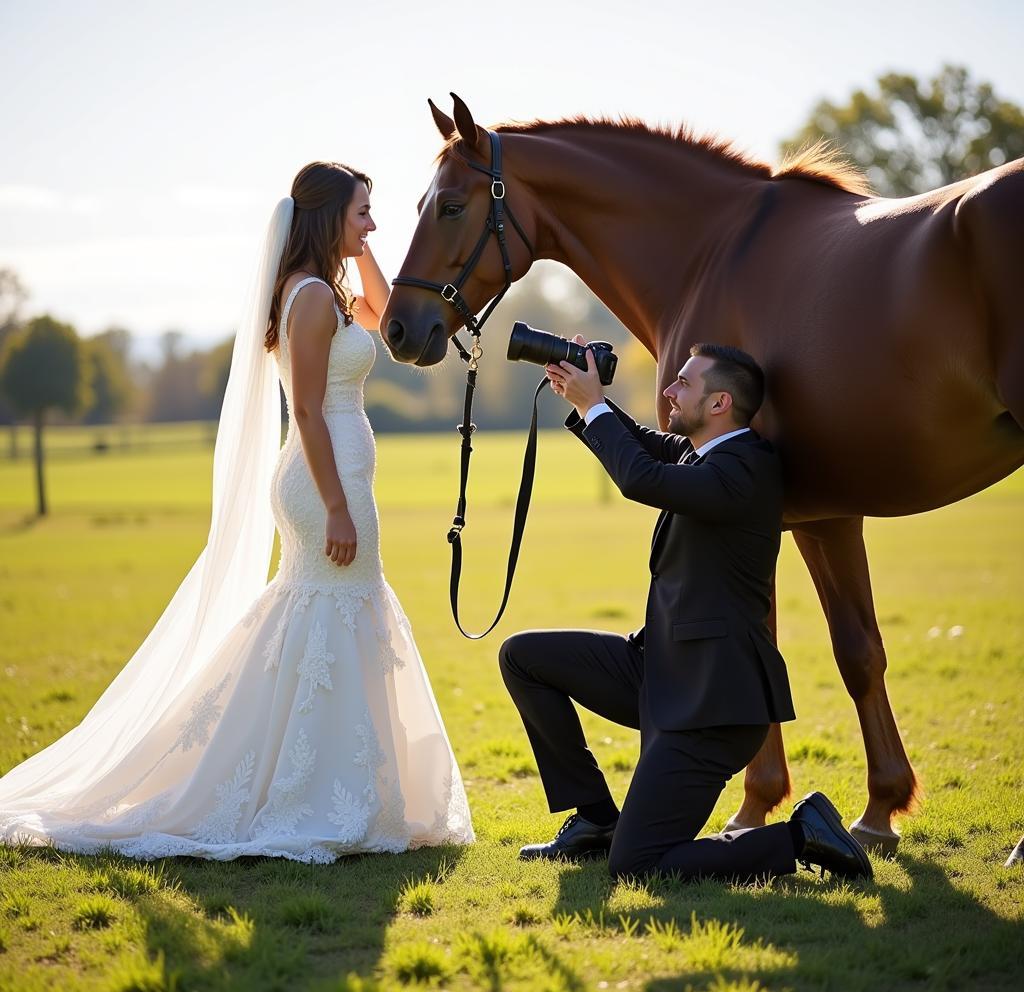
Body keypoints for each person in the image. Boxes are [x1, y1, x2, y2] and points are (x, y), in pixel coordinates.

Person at [0, 162, 473, 861]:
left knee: (323, 610)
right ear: (327, 218)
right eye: (362, 213)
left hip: (338, 477)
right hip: (322, 485)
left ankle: (331, 782)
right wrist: (338, 508)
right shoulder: (310, 297)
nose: (374, 224)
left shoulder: (332, 290)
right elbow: (308, 410)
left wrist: (363, 243)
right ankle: (307, 789)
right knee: (334, 603)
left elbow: (385, 315)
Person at [499, 340, 871, 883]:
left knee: (638, 865)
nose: (669, 391)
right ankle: (596, 818)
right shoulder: (709, 455)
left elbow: (639, 478)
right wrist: (583, 392)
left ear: (720, 403)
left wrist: (593, 405)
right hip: (663, 673)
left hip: (711, 709)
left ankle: (802, 835)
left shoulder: (743, 470)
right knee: (524, 657)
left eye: (684, 384)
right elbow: (643, 448)